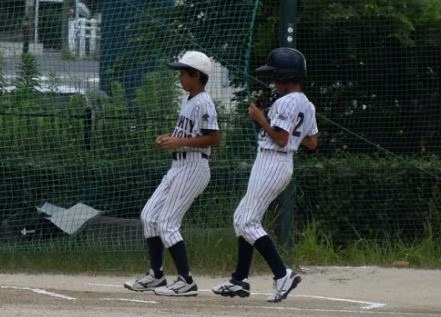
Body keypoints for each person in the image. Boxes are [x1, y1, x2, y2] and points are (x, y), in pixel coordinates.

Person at [213, 45, 315, 303]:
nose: (272, 79)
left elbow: (280, 138)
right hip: (280, 163)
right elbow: (312, 142)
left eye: (274, 74)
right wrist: (292, 135)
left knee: (246, 221)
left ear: (285, 75)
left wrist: (261, 118)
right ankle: (239, 280)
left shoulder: (285, 101)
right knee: (243, 217)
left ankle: (283, 275)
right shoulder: (306, 103)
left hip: (272, 161)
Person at [125, 49, 221, 297]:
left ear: (196, 75)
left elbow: (214, 138)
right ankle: (157, 275)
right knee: (149, 216)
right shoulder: (189, 100)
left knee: (167, 222)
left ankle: (186, 280)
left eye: (183, 73)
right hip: (179, 166)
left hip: (193, 166)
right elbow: (188, 135)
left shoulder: (204, 101)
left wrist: (179, 143)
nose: (180, 77)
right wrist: (170, 138)